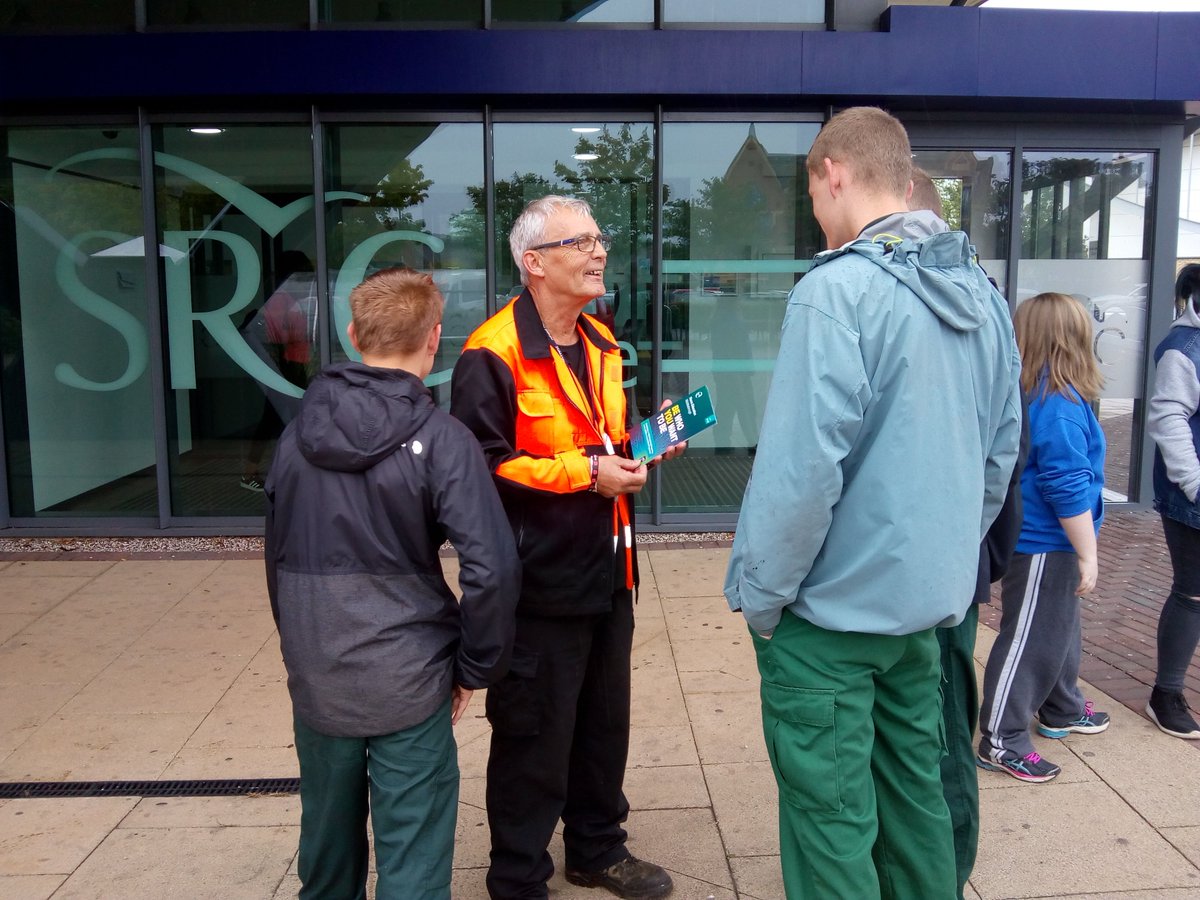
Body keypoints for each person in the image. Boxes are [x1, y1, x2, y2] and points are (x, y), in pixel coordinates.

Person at [723, 107, 1022, 899]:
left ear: (834, 173)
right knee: (917, 809)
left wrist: (763, 598)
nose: (818, 217)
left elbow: (799, 477)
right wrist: (944, 561)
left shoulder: (838, 291)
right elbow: (997, 457)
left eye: (815, 198)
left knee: (831, 827)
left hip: (826, 620)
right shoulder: (980, 295)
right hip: (924, 613)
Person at [264, 267, 522, 900]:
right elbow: (492, 568)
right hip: (409, 680)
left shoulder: (295, 437)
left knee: (326, 852)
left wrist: (302, 647)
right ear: (436, 339)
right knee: (413, 858)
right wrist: (473, 667)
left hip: (319, 674)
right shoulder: (442, 440)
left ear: (353, 334)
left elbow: (276, 558)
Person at [450, 195, 680, 900]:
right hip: (536, 581)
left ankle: (597, 847)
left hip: (610, 569)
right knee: (533, 734)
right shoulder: (490, 353)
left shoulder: (602, 341)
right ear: (534, 263)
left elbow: (613, 432)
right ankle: (518, 874)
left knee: (603, 721)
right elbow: (482, 467)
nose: (598, 252)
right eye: (579, 242)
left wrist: (642, 451)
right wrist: (586, 472)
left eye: (599, 239)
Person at [908, 165, 1029, 899]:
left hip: (945, 568)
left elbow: (998, 455)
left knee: (945, 728)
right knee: (932, 721)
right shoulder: (971, 297)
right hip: (944, 560)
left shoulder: (963, 300)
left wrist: (964, 553)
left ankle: (945, 872)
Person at [978, 291, 1110, 784]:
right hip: (1043, 543)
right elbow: (1066, 484)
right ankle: (1001, 737)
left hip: (1041, 540)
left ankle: (1061, 705)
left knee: (1058, 627)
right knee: (1031, 637)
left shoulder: (1032, 394)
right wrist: (1087, 552)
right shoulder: (1060, 404)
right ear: (1073, 339)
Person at [1145, 263, 1200, 739]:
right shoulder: (1183, 349)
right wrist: (1194, 483)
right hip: (1192, 497)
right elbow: (1168, 419)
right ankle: (1166, 693)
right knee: (1192, 592)